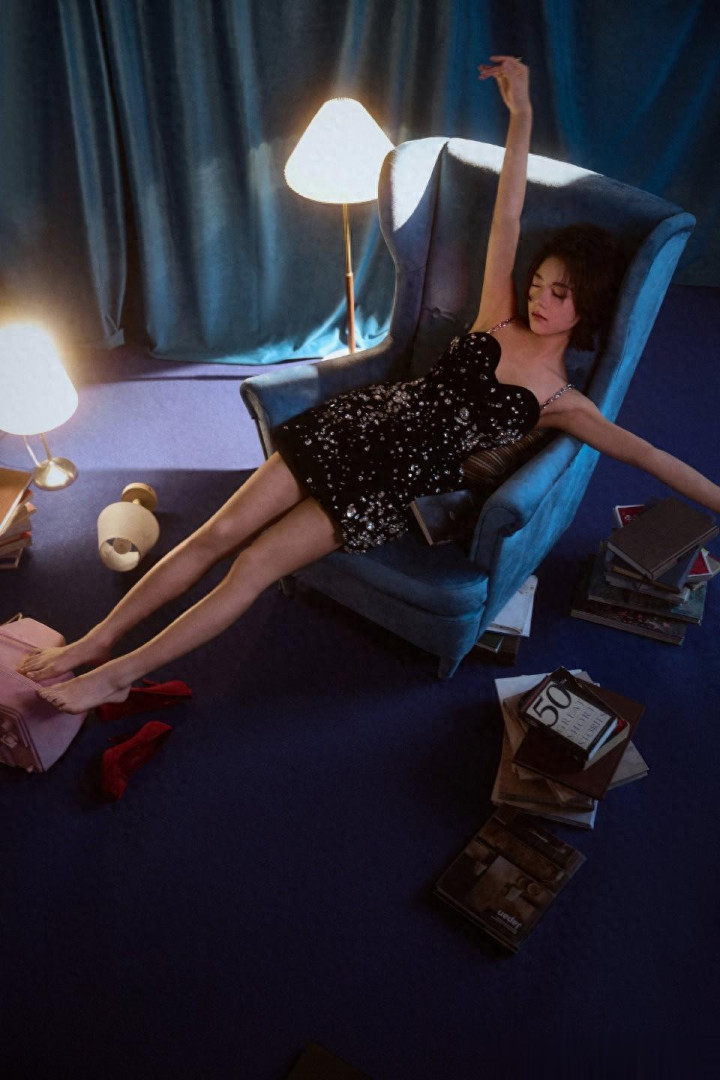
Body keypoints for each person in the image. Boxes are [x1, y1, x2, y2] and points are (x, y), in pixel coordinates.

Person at [20, 56, 720, 714]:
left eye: (559, 294)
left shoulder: (565, 404)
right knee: (218, 532)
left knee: (253, 565)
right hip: (355, 424)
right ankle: (95, 643)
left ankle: (118, 675)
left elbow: (650, 456)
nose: (540, 299)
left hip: (390, 486)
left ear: (586, 306)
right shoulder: (498, 314)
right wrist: (522, 114)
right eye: (539, 283)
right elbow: (507, 216)